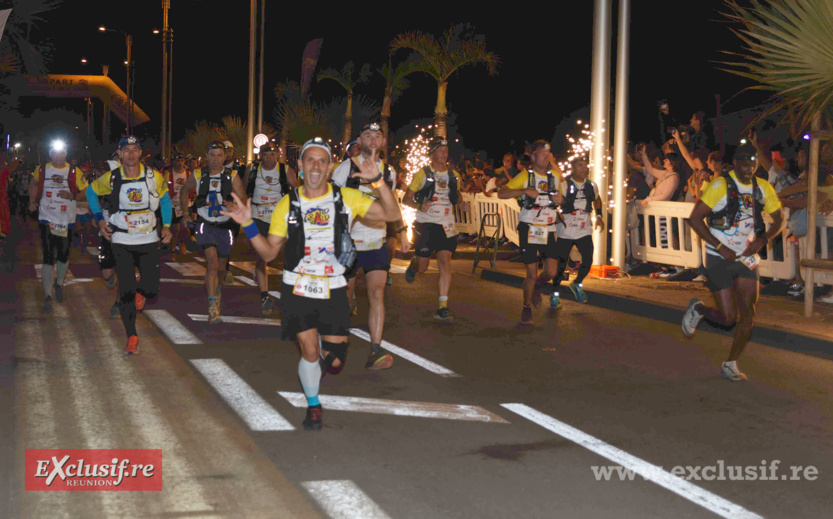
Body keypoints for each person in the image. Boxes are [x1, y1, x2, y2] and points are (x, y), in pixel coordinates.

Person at [222, 137, 401, 431]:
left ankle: (326, 358)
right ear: (301, 167)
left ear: (329, 166)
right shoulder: (287, 204)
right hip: (297, 288)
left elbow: (392, 214)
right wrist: (248, 223)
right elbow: (268, 253)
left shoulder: (346, 198)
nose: (316, 165)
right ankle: (314, 405)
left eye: (322, 160)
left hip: (333, 287)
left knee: (334, 362)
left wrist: (378, 181)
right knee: (309, 351)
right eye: (310, 160)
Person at [682, 144, 783, 381]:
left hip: (746, 257)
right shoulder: (720, 185)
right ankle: (699, 309)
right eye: (745, 164)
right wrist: (720, 247)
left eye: (753, 164)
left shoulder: (762, 187)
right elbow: (695, 219)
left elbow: (779, 218)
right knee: (729, 319)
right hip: (718, 256)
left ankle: (731, 362)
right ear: (735, 164)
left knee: (749, 312)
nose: (750, 169)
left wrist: (763, 240)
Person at [87, 136, 173, 354]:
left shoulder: (153, 176)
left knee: (152, 289)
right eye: (126, 150)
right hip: (122, 239)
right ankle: (132, 336)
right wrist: (100, 219)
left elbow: (164, 199)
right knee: (125, 290)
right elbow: (90, 192)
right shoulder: (113, 177)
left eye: (135, 150)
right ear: (120, 154)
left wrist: (167, 225)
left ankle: (141, 291)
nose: (131, 154)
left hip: (147, 238)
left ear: (140, 153)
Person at [331, 122, 407, 370]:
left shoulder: (390, 173)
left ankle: (375, 350)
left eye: (377, 136)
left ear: (383, 142)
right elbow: (332, 203)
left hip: (376, 241)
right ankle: (336, 345)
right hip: (348, 243)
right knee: (345, 296)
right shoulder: (344, 169)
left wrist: (402, 232)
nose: (373, 140)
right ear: (360, 141)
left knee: (377, 293)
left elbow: (392, 205)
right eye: (367, 136)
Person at [179, 141, 248, 324]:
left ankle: (216, 294)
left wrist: (235, 205)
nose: (216, 159)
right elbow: (184, 191)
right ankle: (212, 307)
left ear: (225, 157)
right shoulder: (198, 175)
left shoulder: (232, 176)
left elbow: (242, 198)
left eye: (220, 155)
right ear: (207, 156)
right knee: (212, 263)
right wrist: (186, 214)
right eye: (213, 155)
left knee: (222, 268)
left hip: (225, 226)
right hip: (205, 224)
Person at [498, 140, 565, 323]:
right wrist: (525, 191)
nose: (545, 157)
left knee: (551, 271)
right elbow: (502, 193)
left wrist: (561, 199)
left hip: (548, 228)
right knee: (532, 273)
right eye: (541, 154)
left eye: (548, 154)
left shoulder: (555, 178)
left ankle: (537, 287)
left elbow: (560, 198)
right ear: (533, 156)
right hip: (529, 227)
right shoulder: (525, 176)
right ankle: (526, 308)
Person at [403, 137, 468, 321]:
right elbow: (406, 198)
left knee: (445, 262)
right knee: (423, 268)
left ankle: (442, 306)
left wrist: (462, 205)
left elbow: (457, 195)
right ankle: (415, 264)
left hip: (446, 225)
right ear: (432, 153)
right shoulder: (422, 174)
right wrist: (418, 205)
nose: (444, 153)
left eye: (446, 150)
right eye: (440, 150)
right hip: (426, 224)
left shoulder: (454, 175)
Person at [29, 140, 88, 312]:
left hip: (66, 219)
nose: (57, 156)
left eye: (61, 153)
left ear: (65, 154)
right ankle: (47, 295)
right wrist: (32, 201)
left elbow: (85, 190)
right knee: (47, 255)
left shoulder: (73, 171)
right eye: (54, 153)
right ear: (50, 154)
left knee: (63, 254)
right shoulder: (42, 169)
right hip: (46, 217)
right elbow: (33, 184)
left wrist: (72, 195)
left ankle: (59, 283)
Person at [243, 141, 298, 315]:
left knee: (279, 253)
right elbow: (243, 190)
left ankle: (285, 287)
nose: (269, 158)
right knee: (262, 256)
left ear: (277, 155)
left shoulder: (285, 170)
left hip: (279, 217)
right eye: (265, 154)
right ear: (260, 156)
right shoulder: (252, 170)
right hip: (258, 215)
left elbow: (296, 189)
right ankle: (265, 296)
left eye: (272, 154)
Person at [551, 157, 603, 307]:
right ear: (573, 168)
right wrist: (555, 214)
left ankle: (577, 283)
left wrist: (599, 216)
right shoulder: (564, 184)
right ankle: (555, 295)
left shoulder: (591, 185)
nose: (584, 168)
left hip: (583, 228)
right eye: (580, 166)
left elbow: (597, 200)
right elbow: (552, 200)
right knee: (561, 264)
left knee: (588, 259)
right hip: (566, 229)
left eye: (585, 166)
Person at [167, 152, 192, 259]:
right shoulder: (168, 173)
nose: (180, 163)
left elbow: (192, 187)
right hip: (173, 203)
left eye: (182, 161)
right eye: (177, 161)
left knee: (186, 227)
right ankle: (172, 247)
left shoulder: (188, 174)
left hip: (186, 203)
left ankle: (182, 242)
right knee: (175, 228)